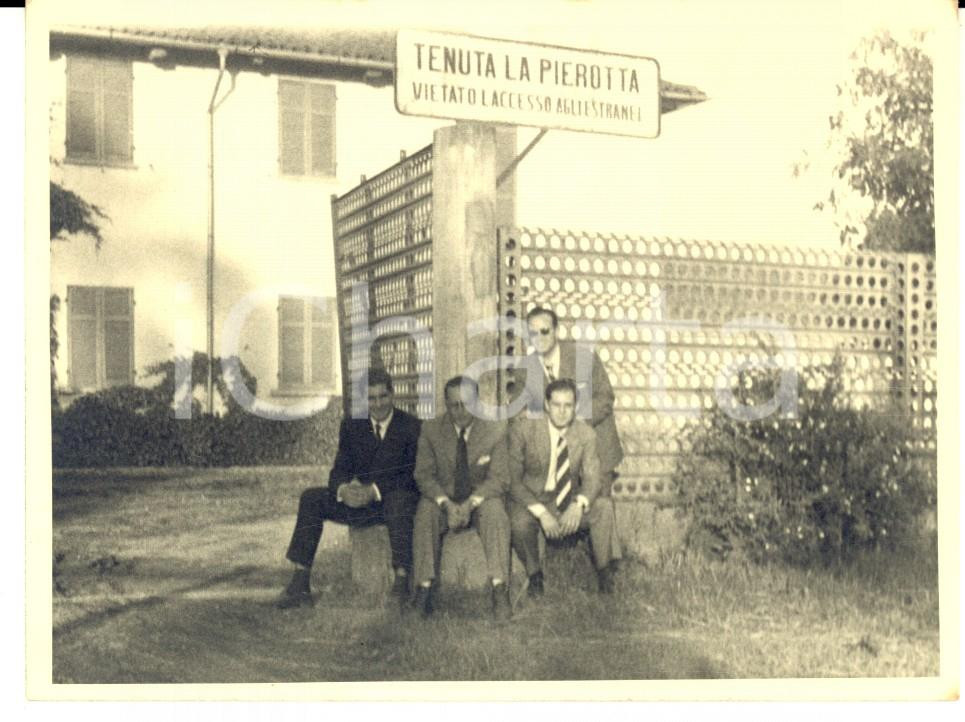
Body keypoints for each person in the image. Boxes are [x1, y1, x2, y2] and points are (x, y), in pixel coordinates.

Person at [276, 368, 421, 609]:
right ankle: (300, 582)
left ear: (392, 395)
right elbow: (339, 469)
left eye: (383, 396)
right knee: (311, 498)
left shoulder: (411, 427)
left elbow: (411, 477)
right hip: (359, 504)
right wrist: (343, 490)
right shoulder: (353, 427)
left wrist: (374, 491)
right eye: (371, 398)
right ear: (365, 400)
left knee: (400, 501)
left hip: (391, 505)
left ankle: (401, 583)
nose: (378, 404)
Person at [411, 376, 512, 620]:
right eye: (453, 405)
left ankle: (500, 588)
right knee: (425, 512)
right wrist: (445, 504)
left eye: (466, 404)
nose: (460, 411)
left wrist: (472, 503)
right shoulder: (431, 430)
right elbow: (423, 475)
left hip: (479, 499)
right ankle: (424, 588)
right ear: (446, 405)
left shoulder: (495, 430)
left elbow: (499, 478)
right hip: (445, 499)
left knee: (496, 512)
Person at [508, 378, 622, 595]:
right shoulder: (524, 430)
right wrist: (542, 513)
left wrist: (578, 505)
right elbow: (514, 481)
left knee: (604, 507)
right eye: (556, 405)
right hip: (534, 499)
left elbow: (593, 477)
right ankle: (535, 575)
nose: (561, 412)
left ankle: (604, 575)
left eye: (568, 406)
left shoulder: (586, 434)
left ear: (575, 407)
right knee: (519, 521)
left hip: (568, 499)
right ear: (546, 405)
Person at [512, 306, 624, 496]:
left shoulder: (583, 357)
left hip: (597, 451)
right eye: (533, 333)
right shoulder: (525, 369)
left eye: (545, 331)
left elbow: (605, 397)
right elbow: (518, 414)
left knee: (598, 508)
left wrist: (574, 419)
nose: (539, 337)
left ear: (556, 331)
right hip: (553, 459)